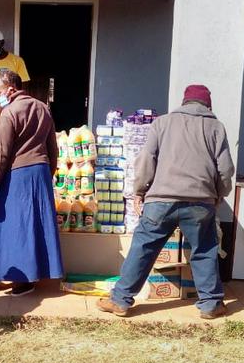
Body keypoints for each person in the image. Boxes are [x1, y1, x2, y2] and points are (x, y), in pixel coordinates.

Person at [96, 85, 235, 319]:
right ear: (208, 105)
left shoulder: (162, 123)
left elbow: (146, 160)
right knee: (204, 250)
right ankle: (211, 304)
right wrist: (219, 194)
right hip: (200, 202)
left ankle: (120, 301)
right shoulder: (216, 127)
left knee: (143, 249)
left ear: (184, 102)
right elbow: (225, 170)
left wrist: (139, 191)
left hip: (160, 200)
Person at [0, 71, 63, 296]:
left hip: (16, 175)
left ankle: (0, 274)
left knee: (6, 226)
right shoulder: (43, 109)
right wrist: (48, 174)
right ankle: (28, 279)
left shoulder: (8, 114)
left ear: (11, 89)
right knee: (33, 227)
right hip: (40, 172)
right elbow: (53, 148)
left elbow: (2, 156)